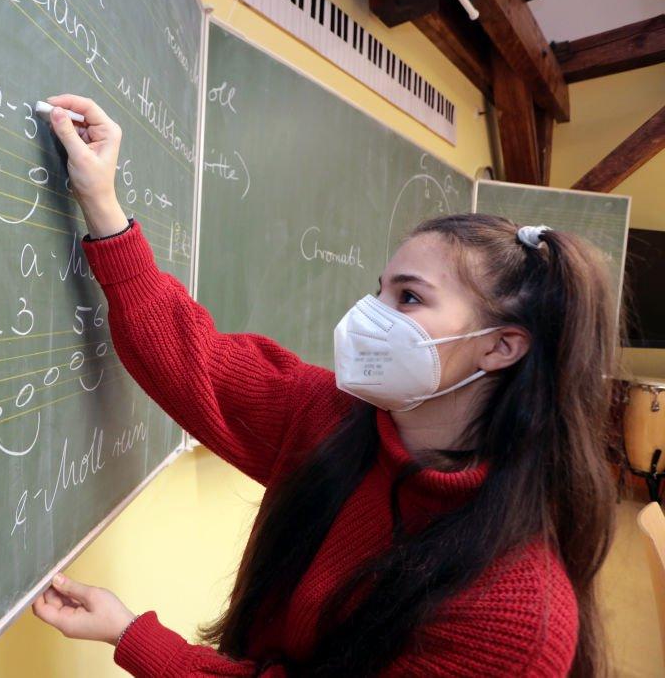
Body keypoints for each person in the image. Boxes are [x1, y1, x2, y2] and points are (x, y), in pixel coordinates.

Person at [30, 94, 621, 677]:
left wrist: (138, 640)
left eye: (409, 298)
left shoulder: (514, 614)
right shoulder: (334, 418)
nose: (369, 314)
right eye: (380, 289)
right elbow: (193, 361)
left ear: (500, 347)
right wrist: (102, 202)